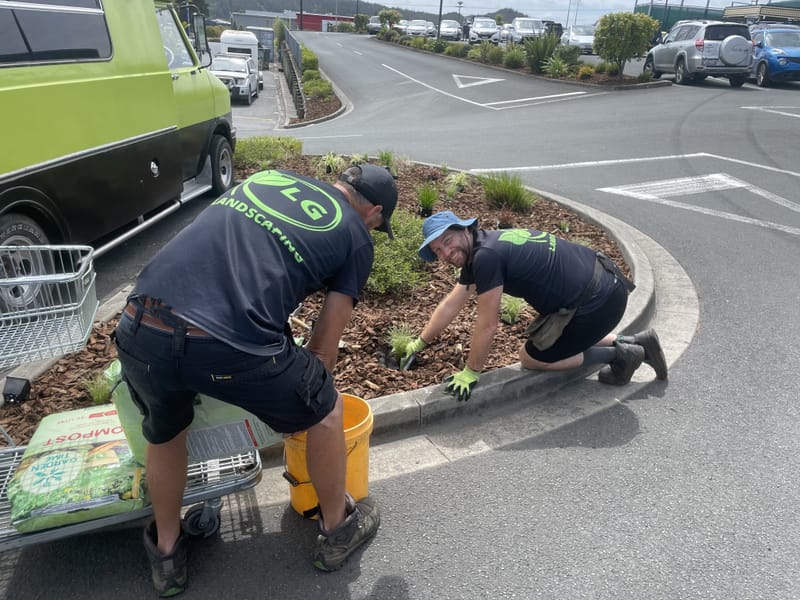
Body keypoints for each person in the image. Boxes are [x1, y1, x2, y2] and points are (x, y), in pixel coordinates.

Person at [114, 164, 397, 596]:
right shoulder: (357, 236)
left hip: (139, 323)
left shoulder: (269, 177)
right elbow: (323, 351)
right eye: (379, 225)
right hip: (226, 343)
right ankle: (338, 530)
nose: (374, 230)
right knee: (326, 410)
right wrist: (306, 392)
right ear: (374, 212)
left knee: (165, 432)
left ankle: (167, 556)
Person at [399, 211, 667, 402]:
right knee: (553, 337)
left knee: (531, 358)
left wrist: (471, 371)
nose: (445, 253)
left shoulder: (486, 258)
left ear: (465, 229)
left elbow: (487, 324)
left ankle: (622, 355)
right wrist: (419, 343)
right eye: (437, 251)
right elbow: (450, 304)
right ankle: (634, 340)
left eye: (447, 242)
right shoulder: (485, 244)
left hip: (596, 303)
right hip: (606, 285)